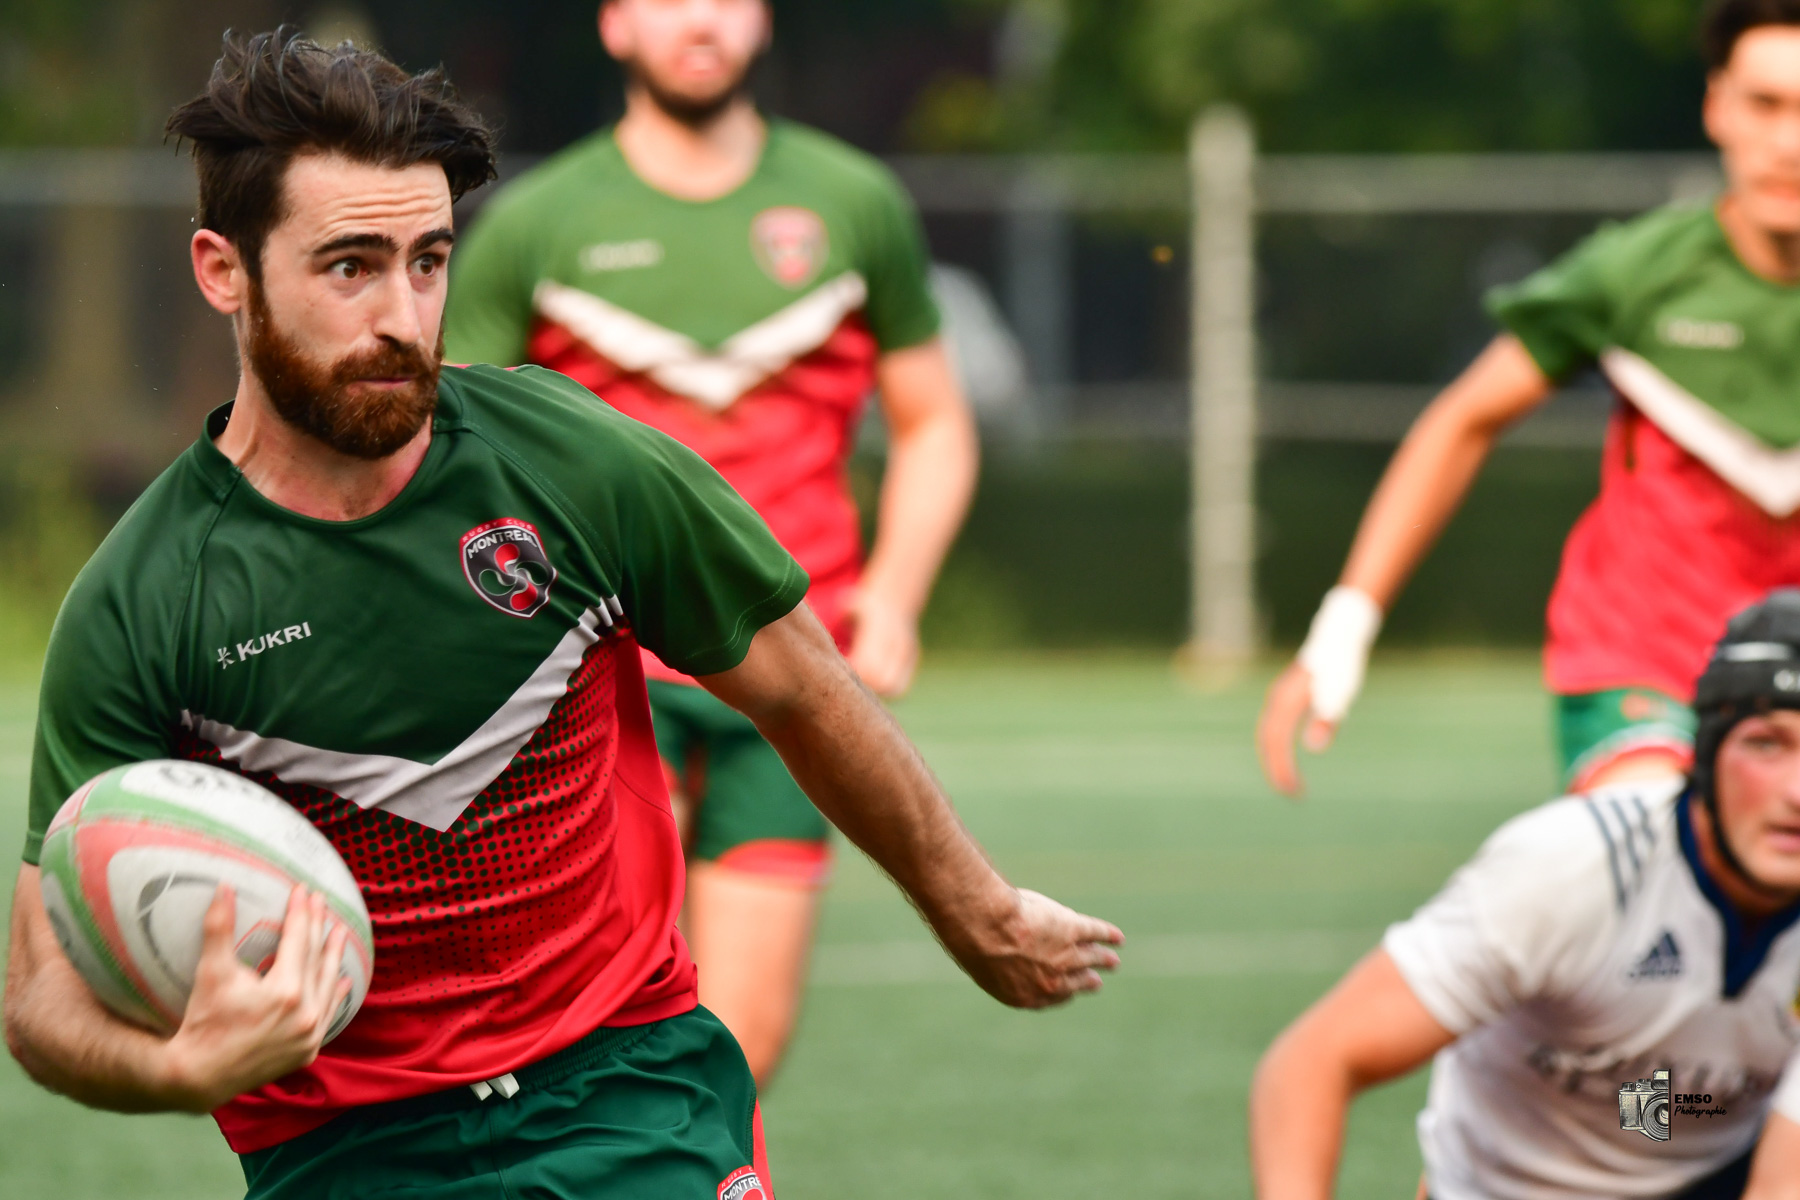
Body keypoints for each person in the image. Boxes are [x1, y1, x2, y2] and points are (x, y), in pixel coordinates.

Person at [0, 31, 1120, 1200]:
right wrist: (180, 1066)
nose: (403, 317)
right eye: (350, 267)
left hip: (630, 1096)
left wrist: (978, 911)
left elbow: (802, 685)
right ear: (222, 270)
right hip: (345, 1155)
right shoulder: (144, 603)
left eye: (428, 262)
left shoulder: (571, 461)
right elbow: (41, 998)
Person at [443, 0, 979, 1086]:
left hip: (794, 677)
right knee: (587, 1041)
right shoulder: (537, 222)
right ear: (613, 24)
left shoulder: (853, 202)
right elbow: (453, 453)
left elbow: (935, 425)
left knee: (740, 1050)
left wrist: (896, 594)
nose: (701, 19)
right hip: (596, 678)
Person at [1258, 0, 1800, 798]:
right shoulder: (1635, 274)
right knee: (1649, 832)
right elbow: (1461, 421)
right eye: (1765, 104)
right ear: (1716, 105)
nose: (1788, 142)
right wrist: (1343, 628)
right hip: (1646, 667)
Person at [1250, 591, 1800, 1200]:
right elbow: (1312, 1062)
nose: (1797, 792)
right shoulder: (1571, 869)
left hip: (1706, 1162)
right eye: (1766, 743)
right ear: (1706, 755)